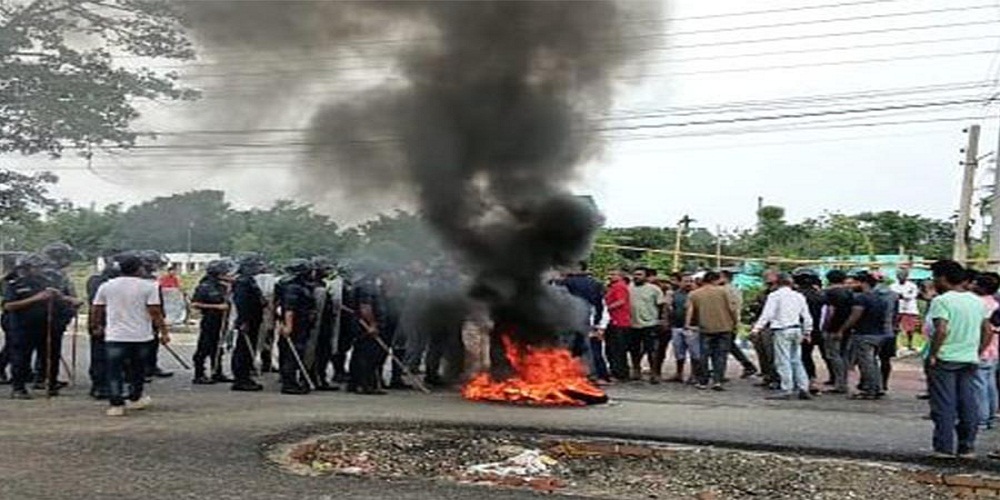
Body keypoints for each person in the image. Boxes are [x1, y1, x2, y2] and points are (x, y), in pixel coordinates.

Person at [925, 259, 992, 458]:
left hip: (945, 358)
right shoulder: (977, 301)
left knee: (944, 404)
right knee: (967, 403)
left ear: (943, 278)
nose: (934, 281)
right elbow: (987, 330)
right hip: (969, 358)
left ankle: (943, 448)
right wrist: (977, 351)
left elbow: (942, 329)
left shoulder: (941, 301)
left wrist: (933, 354)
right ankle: (967, 446)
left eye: (935, 277)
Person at [90, 254, 170, 417]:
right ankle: (135, 398)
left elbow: (97, 309)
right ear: (139, 268)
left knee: (114, 370)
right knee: (137, 370)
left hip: (115, 335)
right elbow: (155, 311)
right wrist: (163, 331)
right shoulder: (149, 286)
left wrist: (96, 326)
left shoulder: (107, 286)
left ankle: (116, 405)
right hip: (141, 336)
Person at [3, 254, 57, 399]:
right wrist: (36, 299)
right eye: (37, 267)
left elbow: (53, 297)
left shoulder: (44, 282)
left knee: (47, 356)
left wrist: (64, 299)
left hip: (43, 325)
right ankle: (18, 388)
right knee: (21, 358)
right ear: (26, 268)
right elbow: (9, 306)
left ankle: (47, 383)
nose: (41, 269)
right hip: (21, 326)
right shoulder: (14, 284)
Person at [752, 273, 814, 401]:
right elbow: (807, 316)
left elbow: (767, 314)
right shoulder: (798, 296)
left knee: (783, 360)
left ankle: (787, 389)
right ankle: (803, 387)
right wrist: (807, 331)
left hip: (782, 329)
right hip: (796, 329)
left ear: (776, 283)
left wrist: (757, 328)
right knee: (796, 359)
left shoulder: (775, 296)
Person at [838, 271, 888, 399]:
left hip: (864, 333)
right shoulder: (881, 298)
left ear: (863, 283)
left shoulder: (861, 298)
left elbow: (855, 315)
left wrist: (843, 329)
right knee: (874, 362)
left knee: (866, 363)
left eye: (855, 282)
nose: (852, 285)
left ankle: (870, 389)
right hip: (879, 333)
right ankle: (878, 387)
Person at [686, 271, 739, 391]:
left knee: (704, 355)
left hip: (705, 328)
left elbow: (690, 310)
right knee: (720, 355)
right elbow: (732, 309)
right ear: (716, 280)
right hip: (724, 327)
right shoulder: (724, 292)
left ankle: (703, 381)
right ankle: (717, 381)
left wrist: (688, 325)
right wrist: (735, 323)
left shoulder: (694, 294)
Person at [190, 260, 234, 385]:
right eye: (224, 272)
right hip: (210, 319)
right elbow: (195, 304)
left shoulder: (223, 286)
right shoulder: (204, 286)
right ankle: (199, 374)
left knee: (218, 347)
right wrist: (216, 306)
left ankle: (217, 372)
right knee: (204, 347)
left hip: (221, 321)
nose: (227, 274)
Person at [278, 259, 318, 395]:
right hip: (296, 325)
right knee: (292, 354)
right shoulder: (293, 287)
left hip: (302, 324)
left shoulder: (301, 286)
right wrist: (288, 326)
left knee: (296, 353)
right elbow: (289, 309)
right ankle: (289, 384)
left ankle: (291, 381)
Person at [231, 254, 266, 392]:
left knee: (247, 347)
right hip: (247, 320)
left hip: (254, 318)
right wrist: (243, 321)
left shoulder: (249, 281)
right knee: (243, 349)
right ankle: (241, 378)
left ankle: (244, 376)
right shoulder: (243, 282)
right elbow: (242, 303)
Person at [971, 272, 1000, 430]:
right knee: (990, 385)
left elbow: (985, 329)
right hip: (994, 349)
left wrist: (978, 350)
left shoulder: (978, 304)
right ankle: (990, 417)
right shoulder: (995, 303)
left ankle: (981, 419)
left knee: (979, 386)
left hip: (981, 348)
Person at [138, 250, 173, 380]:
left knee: (153, 342)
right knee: (143, 344)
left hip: (154, 313)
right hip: (143, 315)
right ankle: (142, 369)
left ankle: (152, 366)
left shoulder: (152, 279)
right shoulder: (141, 280)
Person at [629, 267, 666, 383]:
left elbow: (661, 305)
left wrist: (661, 320)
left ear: (645, 276)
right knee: (634, 349)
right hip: (632, 324)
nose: (636, 277)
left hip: (650, 323)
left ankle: (654, 373)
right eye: (635, 274)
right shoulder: (628, 288)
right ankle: (636, 370)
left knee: (651, 350)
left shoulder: (654, 289)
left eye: (639, 275)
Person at [794, 269, 826, 394]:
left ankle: (803, 381)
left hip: (802, 328)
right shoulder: (820, 295)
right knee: (809, 355)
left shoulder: (797, 295)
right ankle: (811, 379)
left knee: (801, 356)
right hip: (817, 329)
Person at [720, 270, 757, 379]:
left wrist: (734, 322)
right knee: (730, 346)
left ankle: (746, 365)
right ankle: (747, 365)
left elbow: (732, 308)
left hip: (727, 322)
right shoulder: (735, 289)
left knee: (724, 347)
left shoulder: (726, 290)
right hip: (732, 321)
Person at [822, 270, 853, 394]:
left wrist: (825, 326)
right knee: (844, 355)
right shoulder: (849, 292)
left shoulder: (829, 293)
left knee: (834, 355)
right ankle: (843, 381)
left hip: (833, 328)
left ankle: (839, 384)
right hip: (847, 327)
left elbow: (830, 312)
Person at [749, 270, 780, 388]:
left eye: (772, 283)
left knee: (772, 354)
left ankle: (776, 378)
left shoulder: (781, 294)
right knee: (762, 353)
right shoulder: (763, 294)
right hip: (762, 326)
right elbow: (755, 307)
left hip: (773, 326)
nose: (770, 285)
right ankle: (767, 376)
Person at [668, 274, 700, 383]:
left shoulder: (696, 294)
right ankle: (679, 373)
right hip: (677, 326)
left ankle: (694, 375)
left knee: (694, 353)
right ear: (680, 282)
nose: (688, 283)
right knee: (678, 352)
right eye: (685, 281)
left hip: (693, 327)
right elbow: (670, 308)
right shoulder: (675, 295)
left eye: (690, 281)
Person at [603, 270, 631, 382]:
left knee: (617, 349)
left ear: (621, 276)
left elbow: (621, 301)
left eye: (614, 274)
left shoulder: (620, 287)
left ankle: (620, 373)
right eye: (611, 274)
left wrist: (606, 308)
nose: (611, 276)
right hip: (614, 321)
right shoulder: (613, 287)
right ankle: (616, 370)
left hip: (619, 322)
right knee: (612, 348)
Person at [891, 266, 921, 353]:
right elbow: (893, 297)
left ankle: (910, 344)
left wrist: (901, 295)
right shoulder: (892, 286)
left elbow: (911, 296)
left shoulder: (912, 286)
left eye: (903, 275)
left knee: (910, 329)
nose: (901, 276)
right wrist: (903, 295)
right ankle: (894, 345)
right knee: (895, 328)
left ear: (907, 276)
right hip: (897, 309)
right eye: (899, 275)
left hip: (910, 309)